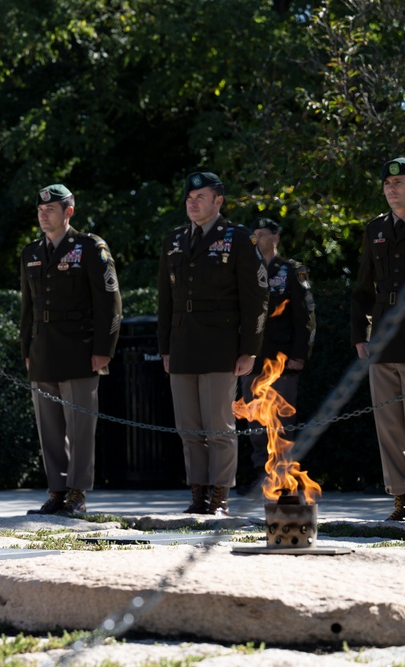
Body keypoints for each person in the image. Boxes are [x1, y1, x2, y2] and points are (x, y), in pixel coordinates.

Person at [157, 172, 268, 516]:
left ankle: (219, 496)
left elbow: (257, 298)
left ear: (219, 201)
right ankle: (198, 493)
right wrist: (165, 348)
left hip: (222, 346)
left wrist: (249, 349)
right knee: (188, 427)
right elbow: (165, 300)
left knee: (219, 428)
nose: (193, 202)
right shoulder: (174, 240)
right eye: (189, 197)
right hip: (183, 344)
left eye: (201, 196)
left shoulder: (238, 239)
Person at [20, 184, 122, 516]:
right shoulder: (31, 253)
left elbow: (109, 302)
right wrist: (26, 350)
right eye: (40, 209)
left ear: (69, 212)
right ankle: (57, 491)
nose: (43, 214)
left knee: (79, 429)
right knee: (49, 428)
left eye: (51, 209)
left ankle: (77, 493)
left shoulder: (90, 247)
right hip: (43, 351)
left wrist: (104, 348)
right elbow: (27, 309)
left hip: (80, 350)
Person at [351, 157, 405, 522]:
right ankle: (401, 497)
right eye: (387, 185)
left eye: (399, 183)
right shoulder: (376, 229)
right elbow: (363, 288)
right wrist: (360, 335)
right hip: (382, 341)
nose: (391, 189)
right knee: (389, 426)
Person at [239, 218, 316, 486]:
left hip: (282, 360)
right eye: (254, 234)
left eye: (262, 234)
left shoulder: (292, 271)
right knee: (256, 425)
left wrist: (300, 355)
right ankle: (262, 474)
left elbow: (305, 316)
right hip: (251, 360)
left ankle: (283, 476)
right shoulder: (245, 270)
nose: (257, 239)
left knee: (283, 422)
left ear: (276, 238)